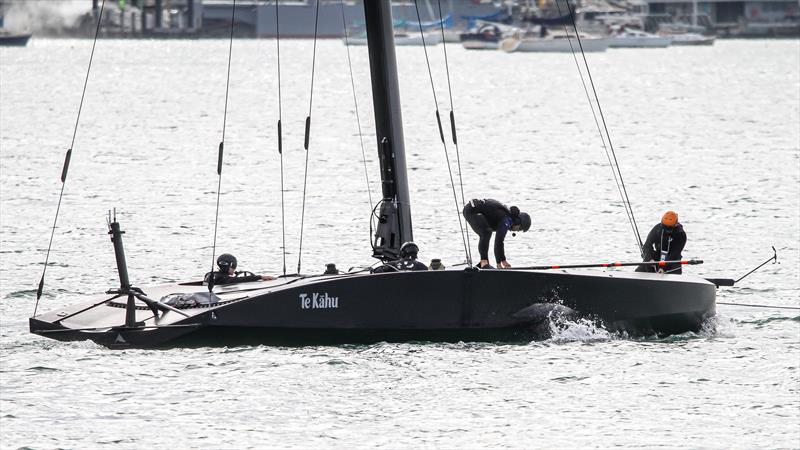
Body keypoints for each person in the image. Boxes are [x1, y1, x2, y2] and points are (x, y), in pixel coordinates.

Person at [462, 198, 531, 269]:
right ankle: (484, 263)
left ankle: (484, 265)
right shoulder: (507, 220)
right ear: (518, 221)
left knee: (487, 231)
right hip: (472, 210)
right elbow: (499, 241)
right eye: (520, 229)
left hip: (473, 209)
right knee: (486, 232)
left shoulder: (507, 216)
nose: (517, 231)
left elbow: (499, 241)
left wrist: (500, 262)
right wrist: (502, 262)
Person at [204, 253, 276, 285]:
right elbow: (239, 280)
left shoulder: (209, 274)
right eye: (234, 266)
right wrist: (260, 277)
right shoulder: (224, 279)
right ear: (229, 266)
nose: (234, 268)